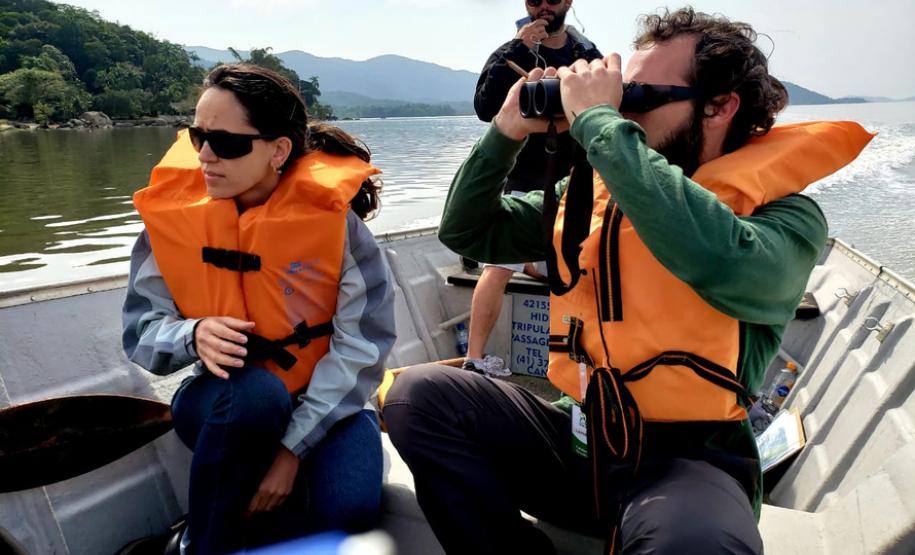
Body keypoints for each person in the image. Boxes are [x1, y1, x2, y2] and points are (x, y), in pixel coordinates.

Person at [383, 8, 871, 555]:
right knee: (418, 396)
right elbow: (470, 232)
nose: (621, 109)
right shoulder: (591, 194)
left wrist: (596, 120)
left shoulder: (786, 216)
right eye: (619, 94)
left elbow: (721, 260)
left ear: (719, 106)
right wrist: (505, 132)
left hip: (686, 464)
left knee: (698, 544)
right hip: (579, 444)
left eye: (638, 96)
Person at [122, 64, 396, 554]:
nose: (205, 155)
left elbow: (363, 348)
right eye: (197, 136)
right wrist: (193, 334)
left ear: (279, 150)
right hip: (225, 405)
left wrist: (290, 454)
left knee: (349, 511)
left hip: (328, 403)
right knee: (259, 394)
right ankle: (199, 546)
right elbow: (140, 335)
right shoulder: (169, 222)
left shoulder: (339, 229)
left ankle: (230, 526)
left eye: (226, 142)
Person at [464, 0, 601, 376]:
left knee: (581, 264)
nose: (542, 5)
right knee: (497, 268)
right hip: (523, 179)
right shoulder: (510, 52)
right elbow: (484, 107)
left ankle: (586, 363)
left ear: (568, 2)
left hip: (575, 181)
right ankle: (474, 358)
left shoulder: (587, 55)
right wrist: (517, 47)